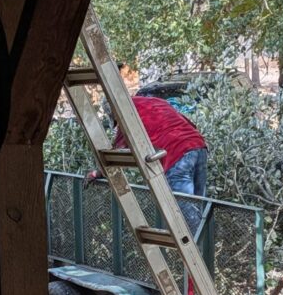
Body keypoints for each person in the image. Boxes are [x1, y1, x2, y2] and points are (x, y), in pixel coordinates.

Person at [87, 96, 208, 229]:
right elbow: (187, 122)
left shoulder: (125, 112)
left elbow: (114, 157)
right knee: (198, 206)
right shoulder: (155, 101)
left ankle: (195, 249)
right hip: (198, 145)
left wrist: (96, 173)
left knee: (185, 211)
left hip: (176, 153)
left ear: (114, 111)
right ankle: (205, 246)